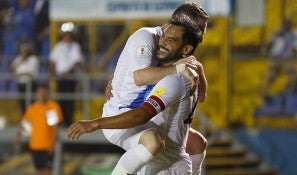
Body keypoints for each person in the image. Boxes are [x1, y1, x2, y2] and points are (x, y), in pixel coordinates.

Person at [68, 16, 204, 174]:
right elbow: (200, 139)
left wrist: (95, 124)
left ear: (186, 49)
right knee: (165, 141)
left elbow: (143, 112)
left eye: (171, 40)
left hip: (164, 164)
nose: (162, 42)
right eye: (163, 37)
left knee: (153, 142)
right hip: (173, 163)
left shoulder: (174, 79)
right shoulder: (178, 72)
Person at [103, 2, 209, 174]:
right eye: (200, 29)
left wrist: (197, 69)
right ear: (182, 24)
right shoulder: (147, 37)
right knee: (157, 143)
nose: (202, 36)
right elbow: (139, 77)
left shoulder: (180, 55)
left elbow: (202, 96)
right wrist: (179, 69)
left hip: (149, 123)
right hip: (124, 115)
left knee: (196, 143)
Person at [15, 83, 63, 175]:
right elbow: (23, 123)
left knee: (48, 171)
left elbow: (55, 127)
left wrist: (52, 143)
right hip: (35, 145)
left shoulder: (51, 108)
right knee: (38, 170)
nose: (41, 95)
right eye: (40, 92)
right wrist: (17, 136)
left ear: (47, 93)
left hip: (47, 145)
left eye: (44, 92)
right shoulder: (33, 108)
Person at [49, 23, 83, 126]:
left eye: (69, 35)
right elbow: (53, 61)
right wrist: (51, 73)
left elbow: (77, 61)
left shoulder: (75, 46)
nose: (67, 36)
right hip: (60, 77)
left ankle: (68, 121)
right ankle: (61, 119)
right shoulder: (58, 46)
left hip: (70, 76)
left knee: (70, 100)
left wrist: (67, 72)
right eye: (65, 35)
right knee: (61, 98)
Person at [261, 18, 297, 97]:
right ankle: (265, 92)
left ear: (291, 25)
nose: (287, 26)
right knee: (271, 75)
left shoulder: (295, 34)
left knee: (292, 75)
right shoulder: (277, 31)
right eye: (285, 24)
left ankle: (291, 92)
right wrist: (264, 49)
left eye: (289, 24)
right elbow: (268, 41)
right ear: (283, 25)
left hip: (287, 57)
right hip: (275, 56)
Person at [11, 42, 39, 113]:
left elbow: (31, 72)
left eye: (25, 51)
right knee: (22, 102)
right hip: (21, 83)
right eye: (22, 51)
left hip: (31, 83)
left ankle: (32, 118)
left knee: (31, 102)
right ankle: (24, 119)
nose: (24, 53)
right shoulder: (18, 59)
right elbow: (13, 68)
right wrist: (21, 60)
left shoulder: (33, 59)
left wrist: (22, 73)